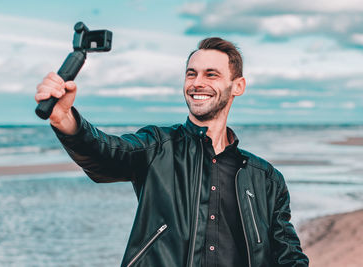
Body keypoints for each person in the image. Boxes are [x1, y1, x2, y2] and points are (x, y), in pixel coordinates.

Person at [35, 37, 309, 267]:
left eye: (211, 74)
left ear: (238, 86)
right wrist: (65, 119)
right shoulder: (157, 146)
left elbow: (288, 256)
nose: (197, 83)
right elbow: (106, 153)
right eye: (191, 73)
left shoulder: (266, 179)